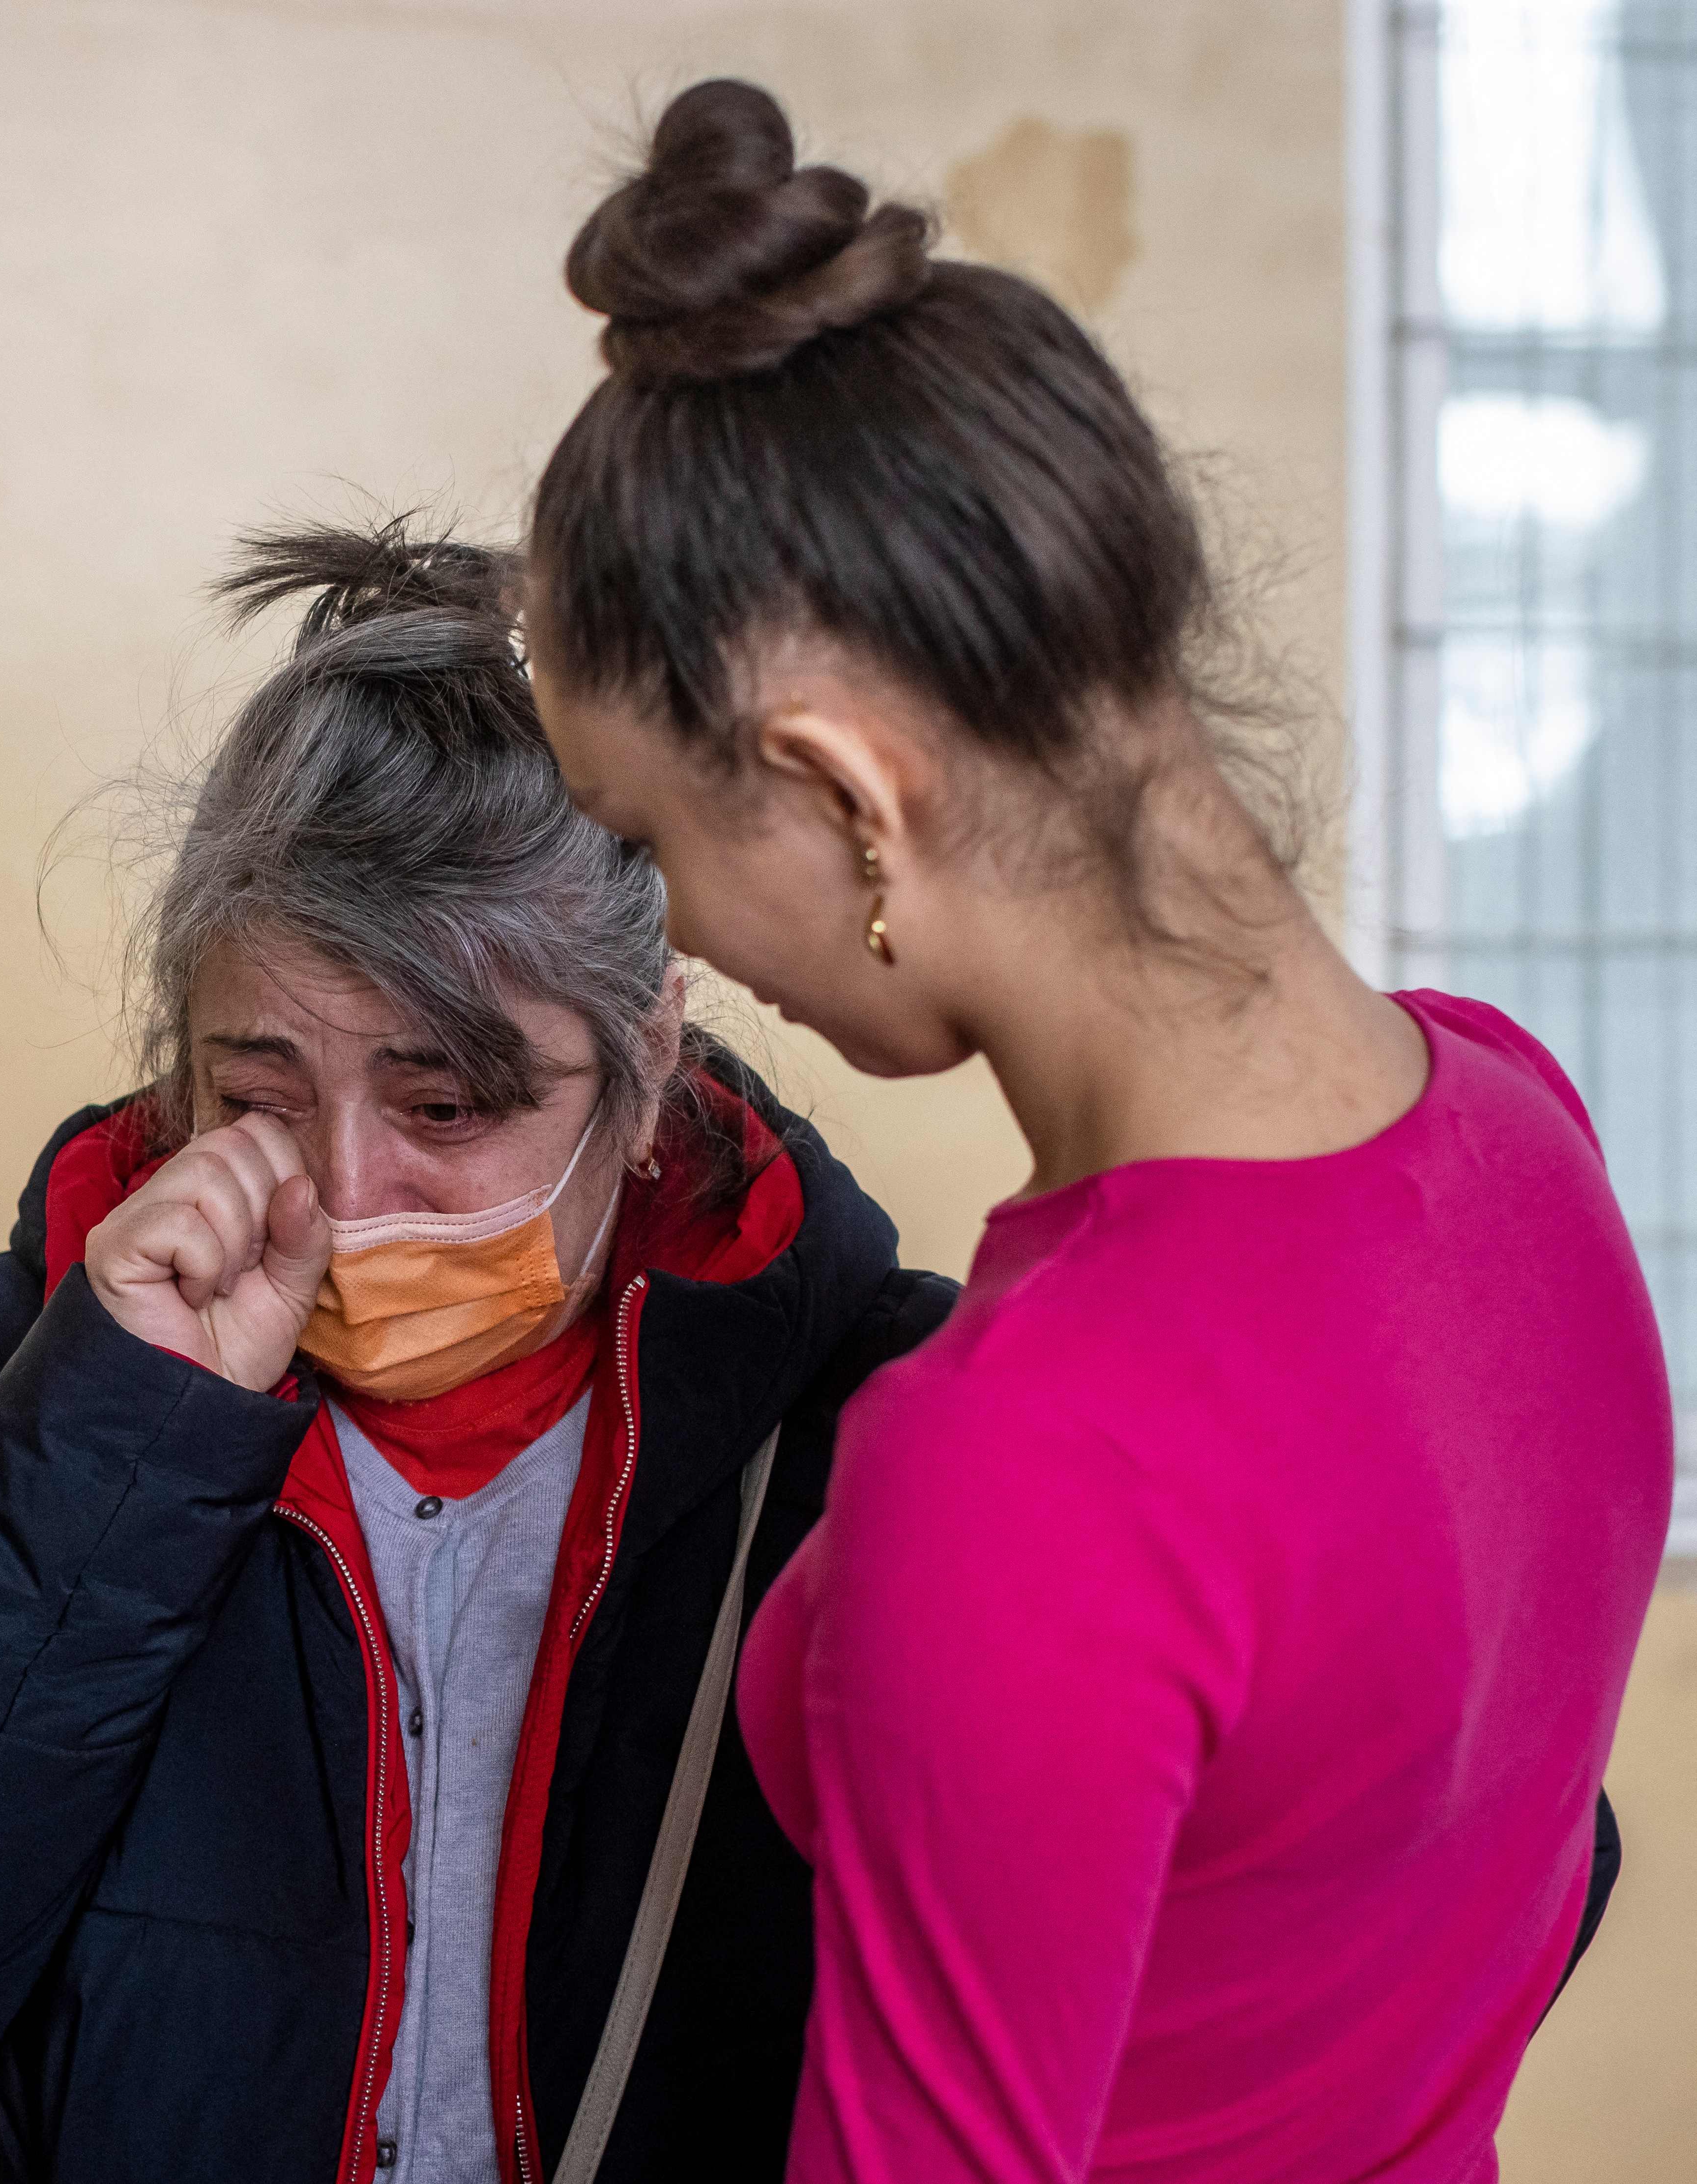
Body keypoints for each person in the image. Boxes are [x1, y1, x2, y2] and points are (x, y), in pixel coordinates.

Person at [519, 80, 1666, 2183]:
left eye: (642, 837)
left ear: (847, 794)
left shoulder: (1035, 1455)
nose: (661, 931)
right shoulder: (1521, 1122)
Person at [0, 521, 961, 2184]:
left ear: (643, 1057)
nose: (345, 1197)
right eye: (261, 1099)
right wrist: (120, 1434)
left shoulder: (880, 1416)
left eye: (445, 1107)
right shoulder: (29, 1358)